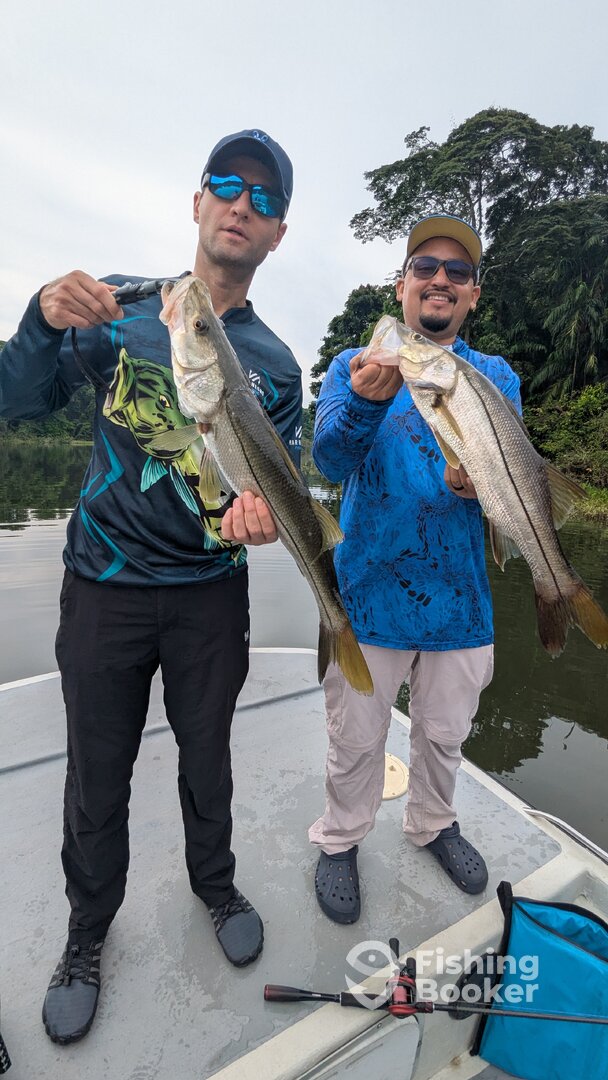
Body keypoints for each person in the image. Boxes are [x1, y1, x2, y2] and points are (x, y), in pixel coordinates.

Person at [0, 129, 302, 1042]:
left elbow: (266, 488)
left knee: (210, 760)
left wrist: (260, 520)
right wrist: (40, 320)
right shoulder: (119, 308)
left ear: (278, 233)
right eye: (226, 185)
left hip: (211, 597)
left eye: (263, 198)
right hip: (105, 588)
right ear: (197, 201)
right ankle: (87, 932)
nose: (241, 204)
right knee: (97, 775)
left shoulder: (277, 366)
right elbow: (16, 401)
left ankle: (217, 886)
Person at [308, 215, 522, 924]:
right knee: (355, 737)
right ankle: (341, 838)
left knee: (445, 735)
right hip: (367, 595)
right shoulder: (354, 365)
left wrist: (479, 489)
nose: (440, 279)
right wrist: (367, 401)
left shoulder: (496, 377)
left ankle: (432, 824)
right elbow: (328, 462)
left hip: (462, 602)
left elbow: (505, 484)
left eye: (457, 272)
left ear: (473, 295)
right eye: (425, 267)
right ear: (401, 286)